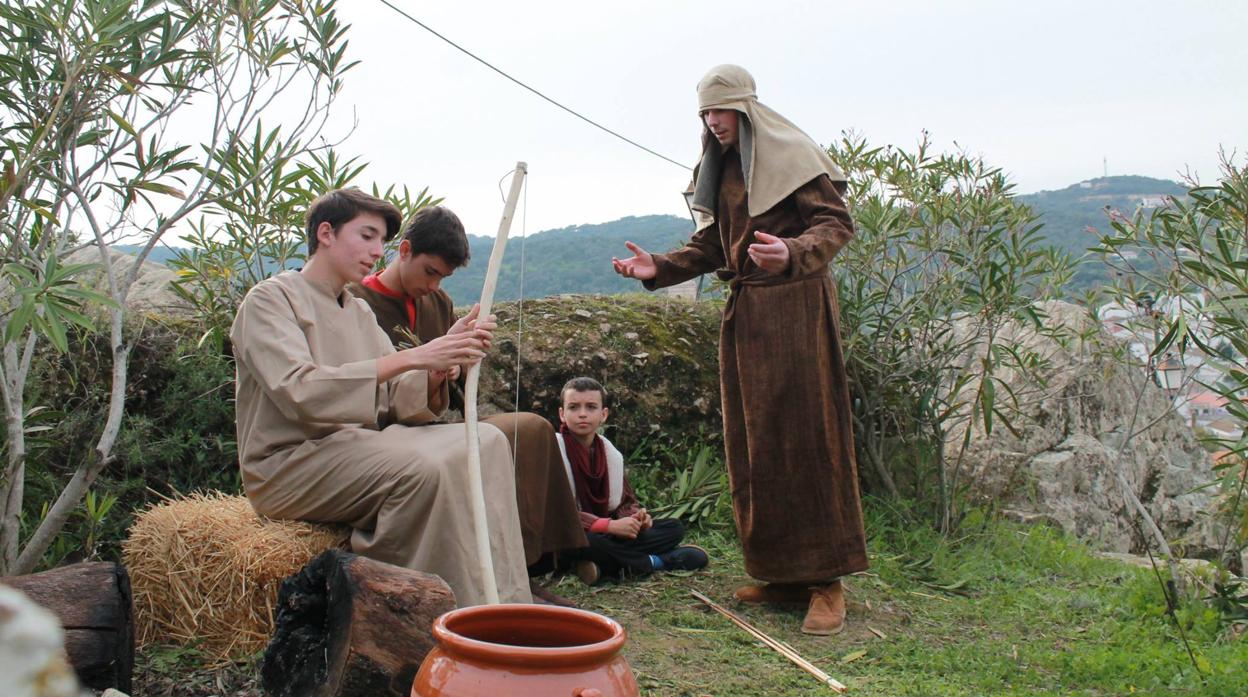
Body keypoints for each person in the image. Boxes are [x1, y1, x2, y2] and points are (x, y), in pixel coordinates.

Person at [611, 64, 867, 635]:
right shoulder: (723, 165)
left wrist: (793, 252)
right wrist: (661, 267)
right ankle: (782, 574)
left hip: (797, 309)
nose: (711, 121)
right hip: (747, 313)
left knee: (807, 437)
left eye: (719, 110)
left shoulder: (793, 155)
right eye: (704, 112)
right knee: (757, 445)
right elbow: (713, 245)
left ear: (745, 109)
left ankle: (827, 582)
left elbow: (835, 223)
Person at [230, 187, 531, 606]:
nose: (376, 251)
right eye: (367, 235)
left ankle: (503, 602)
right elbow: (299, 389)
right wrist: (416, 356)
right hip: (289, 464)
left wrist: (439, 364)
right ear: (326, 233)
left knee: (488, 441)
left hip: (355, 448)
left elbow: (394, 397)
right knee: (424, 469)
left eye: (381, 240)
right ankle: (424, 609)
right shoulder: (270, 300)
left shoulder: (357, 311)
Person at [346, 205, 588, 606]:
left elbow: (454, 386)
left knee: (530, 429)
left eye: (442, 277)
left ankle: (537, 561)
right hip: (391, 431)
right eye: (429, 272)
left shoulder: (437, 303)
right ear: (404, 250)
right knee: (498, 437)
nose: (433, 284)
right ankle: (509, 575)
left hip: (436, 420)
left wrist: (462, 359)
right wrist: (432, 366)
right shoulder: (357, 303)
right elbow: (365, 382)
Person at [556, 377, 708, 584]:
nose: (582, 414)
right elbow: (555, 513)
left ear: (603, 414)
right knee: (590, 542)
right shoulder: (553, 450)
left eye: (591, 407)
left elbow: (625, 502)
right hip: (570, 536)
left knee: (674, 528)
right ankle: (656, 562)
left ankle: (601, 566)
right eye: (574, 407)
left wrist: (637, 519)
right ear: (562, 414)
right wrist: (606, 526)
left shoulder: (609, 453)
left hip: (608, 534)